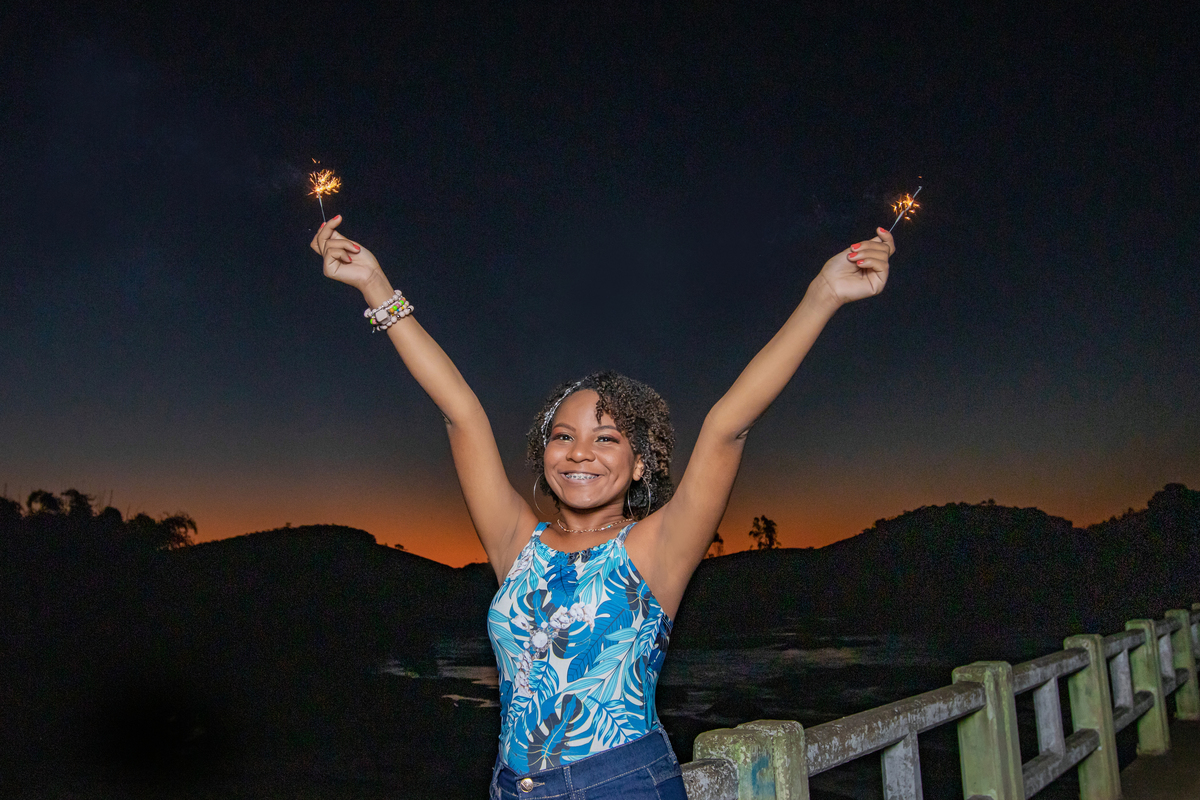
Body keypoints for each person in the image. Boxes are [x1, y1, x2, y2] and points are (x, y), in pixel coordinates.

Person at [311, 216, 894, 799]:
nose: (580, 453)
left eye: (607, 438)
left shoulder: (655, 548)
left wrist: (823, 295)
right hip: (512, 788)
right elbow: (459, 410)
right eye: (562, 437)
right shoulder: (517, 542)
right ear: (544, 455)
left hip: (619, 785)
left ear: (641, 463)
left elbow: (727, 427)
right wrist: (375, 285)